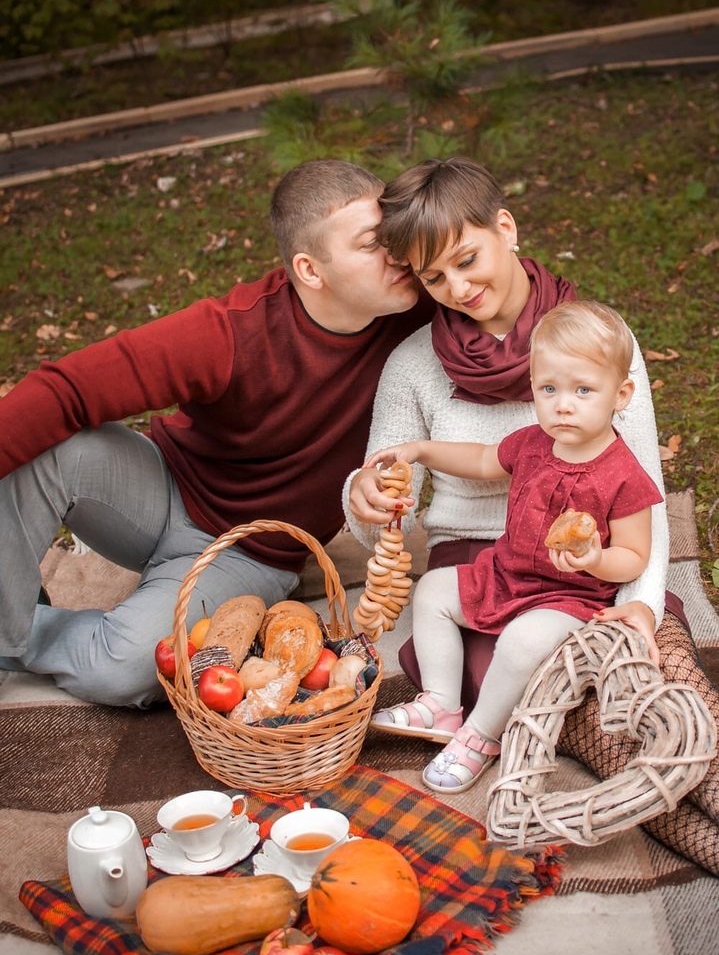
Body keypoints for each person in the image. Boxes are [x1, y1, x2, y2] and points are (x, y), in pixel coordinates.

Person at [0, 159, 434, 708]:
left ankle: (26, 631)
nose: (398, 255)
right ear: (310, 269)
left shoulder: (426, 313)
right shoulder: (232, 331)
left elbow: (515, 296)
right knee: (52, 447)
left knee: (121, 672)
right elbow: (66, 388)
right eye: (373, 243)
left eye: (395, 235)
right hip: (160, 492)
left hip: (252, 552)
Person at [343, 155, 674, 714]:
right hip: (480, 566)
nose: (459, 287)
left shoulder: (597, 341)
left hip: (589, 564)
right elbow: (382, 528)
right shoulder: (412, 364)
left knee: (649, 673)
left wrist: (642, 605)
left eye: (467, 259)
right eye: (434, 277)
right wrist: (365, 496)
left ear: (506, 228)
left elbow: (644, 493)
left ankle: (685, 767)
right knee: (533, 687)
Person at [363, 300, 664, 793]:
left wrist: (595, 558)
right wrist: (418, 449)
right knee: (434, 591)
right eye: (549, 389)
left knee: (524, 640)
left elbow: (634, 555)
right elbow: (481, 459)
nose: (563, 404)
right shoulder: (533, 443)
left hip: (570, 598)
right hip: (505, 575)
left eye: (583, 390)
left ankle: (481, 735)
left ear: (621, 394)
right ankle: (441, 703)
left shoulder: (624, 475)